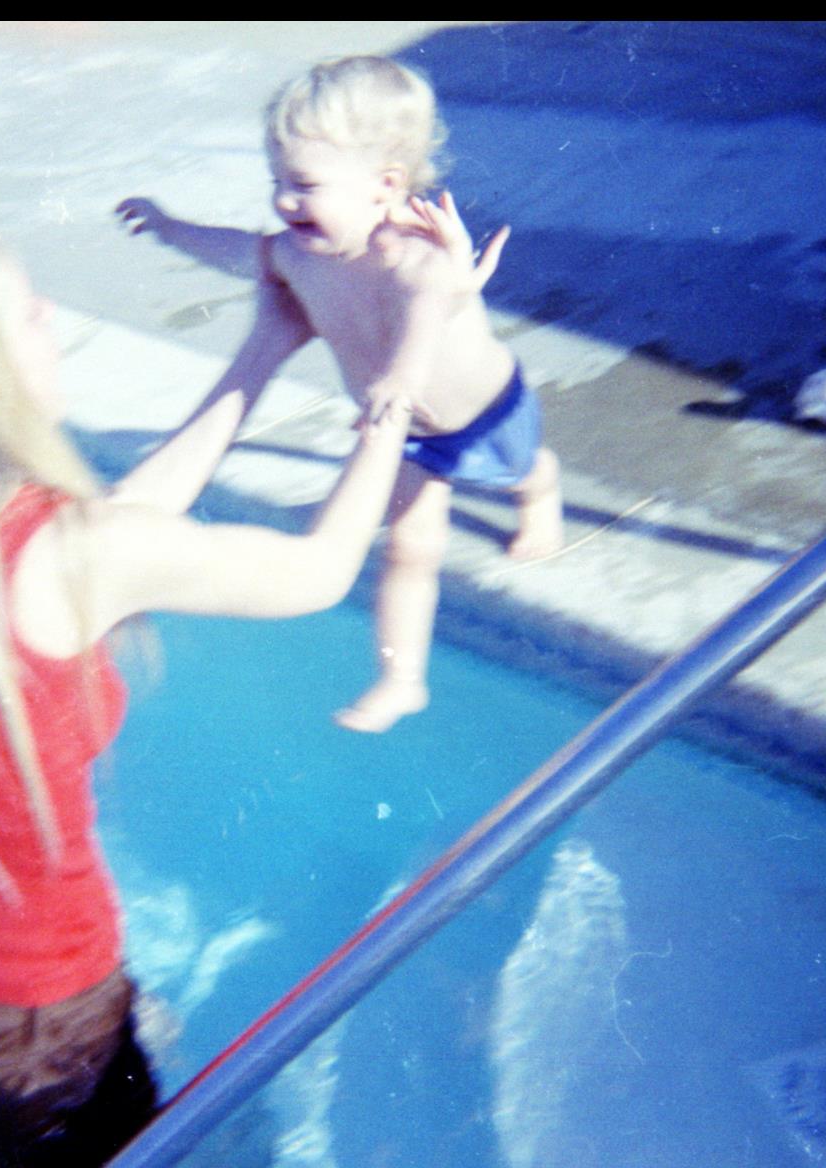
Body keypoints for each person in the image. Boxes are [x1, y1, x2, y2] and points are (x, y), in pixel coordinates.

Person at [0, 223, 414, 1167]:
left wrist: (267, 342)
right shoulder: (71, 556)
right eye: (25, 313)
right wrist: (398, 396)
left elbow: (126, 525)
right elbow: (319, 571)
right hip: (37, 1042)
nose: (51, 313)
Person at [118, 55, 564, 734]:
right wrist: (170, 226)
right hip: (407, 432)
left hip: (480, 413)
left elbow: (426, 305)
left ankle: (542, 495)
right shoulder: (299, 256)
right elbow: (237, 249)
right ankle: (402, 678)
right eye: (277, 182)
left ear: (384, 185)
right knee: (411, 549)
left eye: (303, 185)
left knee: (520, 470)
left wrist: (404, 376)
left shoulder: (414, 251)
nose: (284, 203)